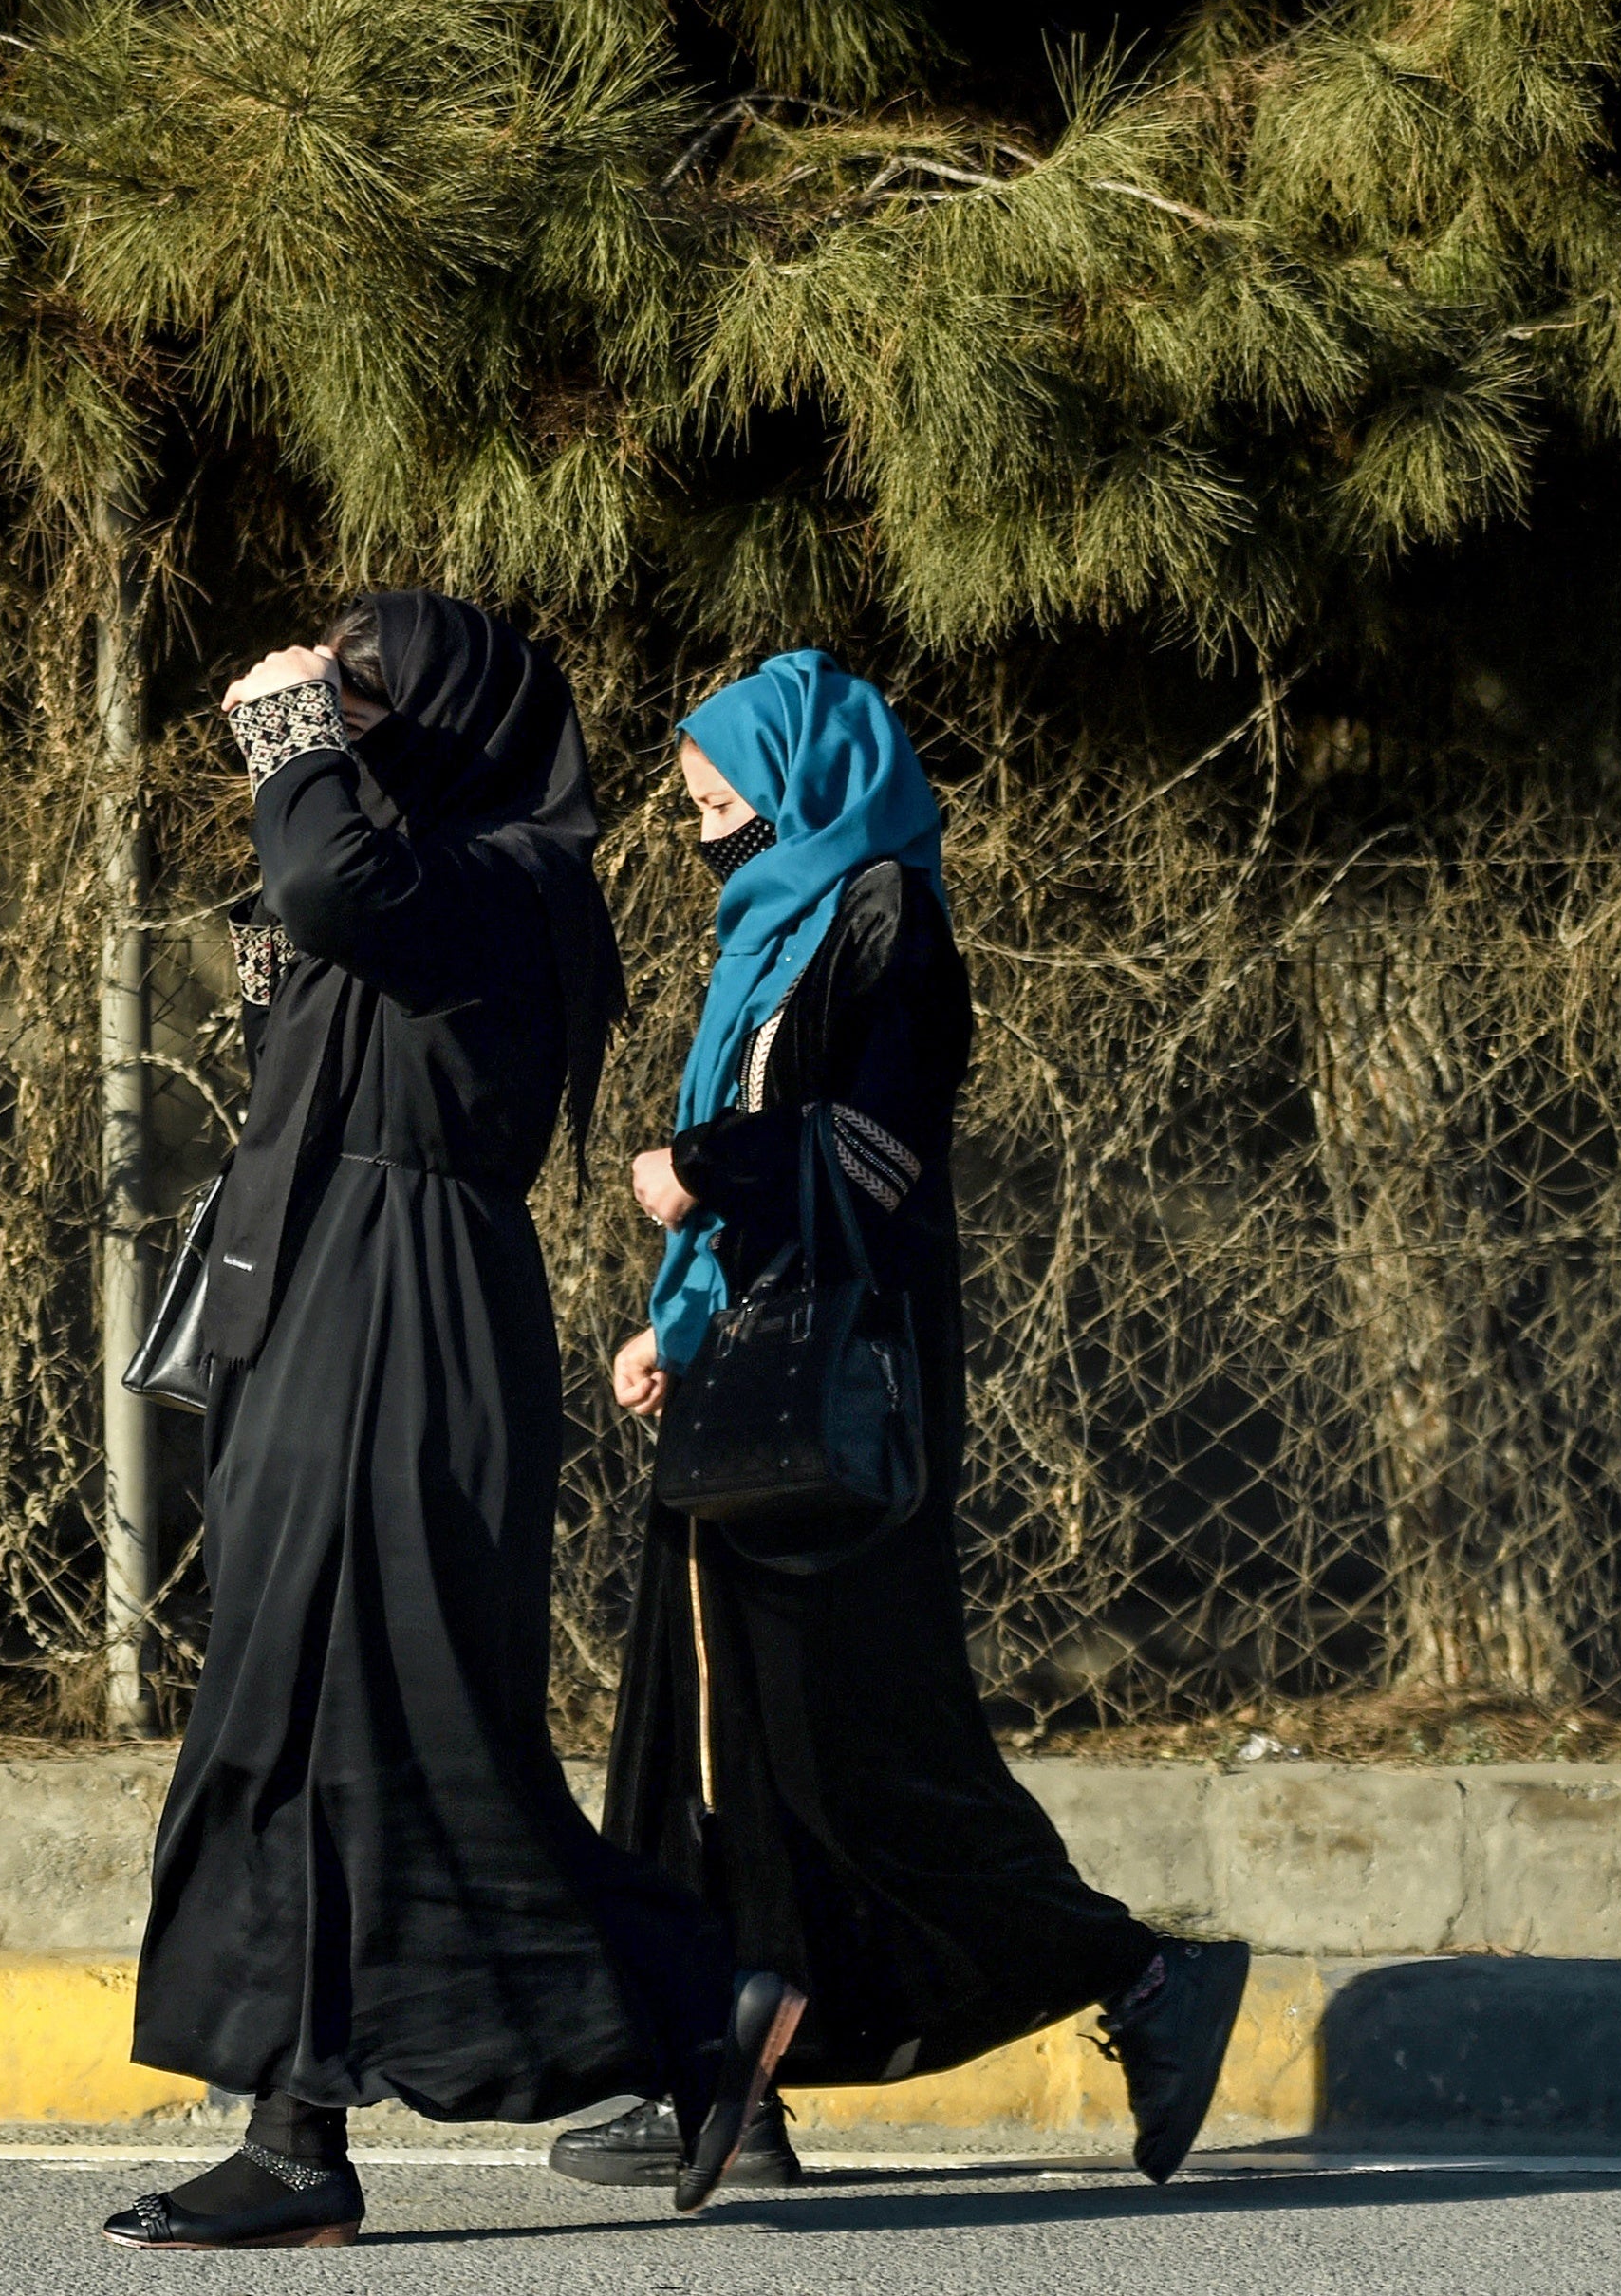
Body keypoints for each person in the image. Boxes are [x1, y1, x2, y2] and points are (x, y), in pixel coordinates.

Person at [108, 593, 777, 2252]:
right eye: (330, 691)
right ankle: (682, 2007)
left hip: (403, 1320)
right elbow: (317, 920)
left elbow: (328, 874)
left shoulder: (508, 884)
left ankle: (311, 2134)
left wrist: (286, 743)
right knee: (346, 1719)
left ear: (457, 720)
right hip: (335, 1304)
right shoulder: (431, 884)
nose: (332, 714)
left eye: (363, 691)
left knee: (365, 1715)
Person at [556, 648, 1254, 2194]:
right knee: (703, 1729)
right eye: (692, 807)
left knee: (848, 1747)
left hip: (847, 1401)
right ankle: (721, 2076)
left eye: (723, 800)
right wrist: (675, 1320)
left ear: (807, 779)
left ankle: (1140, 1976)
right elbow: (768, 1162)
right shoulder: (771, 934)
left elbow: (873, 1149)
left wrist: (704, 1167)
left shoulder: (887, 918)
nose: (705, 833)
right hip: (757, 1380)